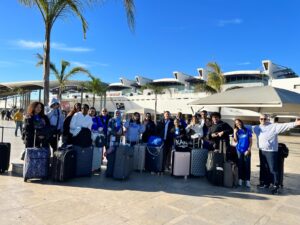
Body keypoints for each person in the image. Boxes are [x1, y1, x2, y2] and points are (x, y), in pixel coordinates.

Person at [253, 114, 300, 194]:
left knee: (273, 169)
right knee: (264, 168)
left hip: (271, 152)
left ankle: (276, 185)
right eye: (261, 119)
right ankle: (266, 183)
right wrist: (236, 128)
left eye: (264, 119)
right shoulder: (257, 127)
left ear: (267, 119)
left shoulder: (273, 126)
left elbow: (285, 126)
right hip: (262, 151)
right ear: (259, 119)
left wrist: (295, 123)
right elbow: (245, 127)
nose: (263, 120)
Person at [233, 119, 252, 188]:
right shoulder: (236, 131)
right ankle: (240, 179)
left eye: (239, 122)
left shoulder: (247, 130)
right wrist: (234, 133)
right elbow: (235, 141)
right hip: (239, 150)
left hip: (246, 150)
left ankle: (247, 180)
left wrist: (249, 149)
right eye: (236, 123)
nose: (238, 124)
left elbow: (250, 141)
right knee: (240, 165)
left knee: (247, 165)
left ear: (241, 122)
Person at [105, 110, 123, 177]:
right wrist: (115, 133)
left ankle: (114, 171)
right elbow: (109, 129)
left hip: (117, 140)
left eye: (118, 113)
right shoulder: (111, 120)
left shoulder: (120, 121)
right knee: (110, 154)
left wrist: (121, 132)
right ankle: (109, 171)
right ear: (114, 114)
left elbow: (121, 130)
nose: (117, 114)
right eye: (116, 113)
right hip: (111, 140)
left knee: (116, 155)